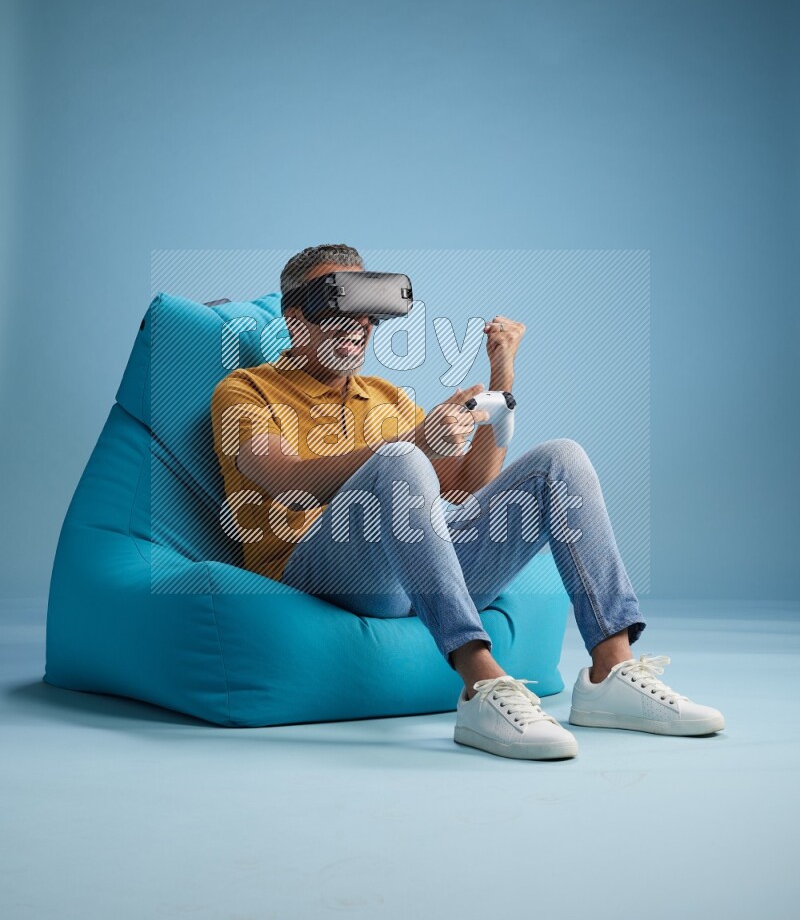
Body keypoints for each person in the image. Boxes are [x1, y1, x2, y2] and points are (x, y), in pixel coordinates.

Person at [211, 244, 724, 760]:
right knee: (400, 459)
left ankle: (610, 669)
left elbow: (467, 486)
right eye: (337, 306)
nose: (358, 324)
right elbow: (283, 477)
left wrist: (501, 385)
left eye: (368, 310)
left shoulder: (386, 396)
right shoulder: (244, 390)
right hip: (319, 574)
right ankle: (480, 685)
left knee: (560, 459)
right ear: (295, 317)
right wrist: (414, 442)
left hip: (413, 573)